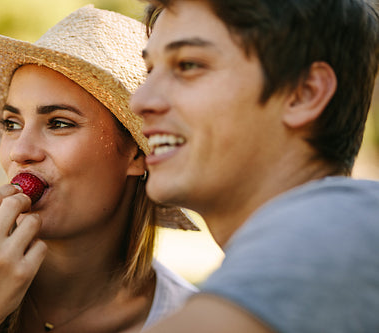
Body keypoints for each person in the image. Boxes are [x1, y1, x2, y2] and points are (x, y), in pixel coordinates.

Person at [0, 5, 200, 333]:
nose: (20, 151)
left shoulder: (190, 321)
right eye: (11, 123)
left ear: (136, 154)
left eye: (59, 123)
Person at [130, 0, 379, 332]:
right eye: (150, 71)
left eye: (188, 65)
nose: (140, 101)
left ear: (303, 93)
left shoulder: (333, 229)